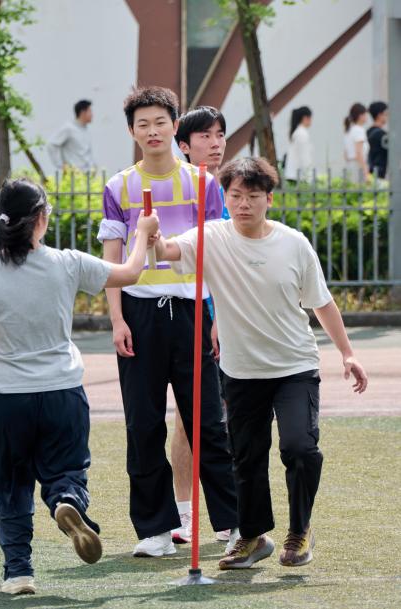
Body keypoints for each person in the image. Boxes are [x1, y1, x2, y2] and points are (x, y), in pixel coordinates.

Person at [155, 156, 368, 571]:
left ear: (269, 199)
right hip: (241, 371)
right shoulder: (210, 237)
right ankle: (252, 537)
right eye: (235, 195)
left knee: (300, 448)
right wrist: (152, 236)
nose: (243, 204)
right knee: (246, 457)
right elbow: (167, 251)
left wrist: (348, 352)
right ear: (225, 197)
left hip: (295, 367)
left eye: (252, 196)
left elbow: (321, 302)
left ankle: (299, 531)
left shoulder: (293, 243)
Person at [0, 178, 158, 595]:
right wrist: (142, 232)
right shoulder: (67, 263)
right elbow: (130, 273)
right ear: (42, 219)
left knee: (11, 486)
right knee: (66, 470)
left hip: (7, 396)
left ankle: (18, 573)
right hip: (62, 392)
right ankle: (66, 500)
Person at [97, 86, 238, 558]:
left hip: (194, 311)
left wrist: (218, 315)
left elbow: (218, 251)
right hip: (139, 314)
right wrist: (117, 319)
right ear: (132, 132)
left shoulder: (204, 184)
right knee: (143, 425)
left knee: (208, 424)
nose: (152, 131)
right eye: (143, 124)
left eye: (160, 122)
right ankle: (155, 531)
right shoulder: (119, 186)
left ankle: (232, 524)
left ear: (174, 127)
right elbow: (112, 258)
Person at [170, 105, 229, 545]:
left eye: (220, 134)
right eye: (205, 136)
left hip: (228, 312)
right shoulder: (177, 188)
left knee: (225, 418)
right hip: (191, 311)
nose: (216, 143)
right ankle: (184, 514)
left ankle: (230, 514)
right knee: (187, 419)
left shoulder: (229, 188)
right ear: (184, 145)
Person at [48, 100, 95, 173]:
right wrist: (61, 165)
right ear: (83, 112)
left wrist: (93, 166)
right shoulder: (69, 128)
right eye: (90, 111)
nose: (92, 115)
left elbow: (86, 152)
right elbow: (52, 144)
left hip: (88, 174)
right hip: (74, 175)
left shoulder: (85, 130)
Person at [284, 106, 313, 183]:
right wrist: (309, 178)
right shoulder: (302, 133)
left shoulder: (298, 132)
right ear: (305, 118)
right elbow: (304, 157)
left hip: (293, 176)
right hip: (298, 178)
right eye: (311, 118)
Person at [343, 103, 369, 182]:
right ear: (361, 116)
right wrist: (365, 169)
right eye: (365, 114)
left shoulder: (349, 130)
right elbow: (359, 152)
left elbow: (346, 154)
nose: (367, 117)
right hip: (358, 166)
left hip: (350, 165)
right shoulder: (359, 130)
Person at [367, 101, 388, 179]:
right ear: (379, 115)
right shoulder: (382, 135)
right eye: (386, 114)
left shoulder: (368, 132)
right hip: (379, 173)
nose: (387, 117)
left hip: (369, 172)